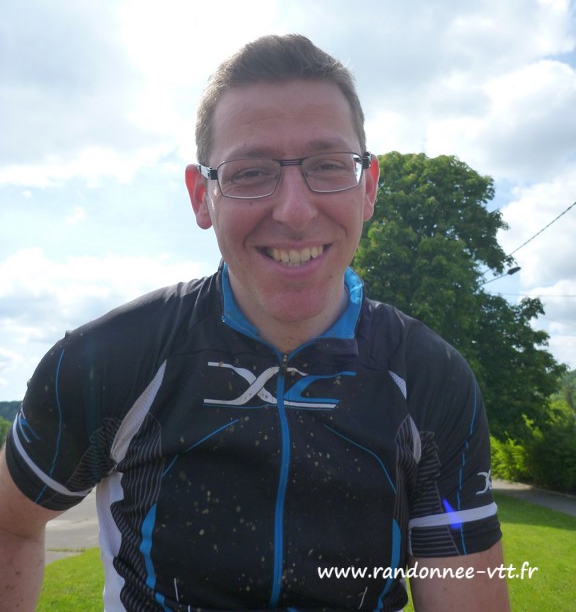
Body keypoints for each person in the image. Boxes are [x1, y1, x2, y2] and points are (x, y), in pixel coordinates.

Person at [0, 34, 510, 611]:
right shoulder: (107, 361)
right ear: (202, 196)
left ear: (367, 188)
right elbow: (10, 523)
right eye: (249, 172)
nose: (294, 211)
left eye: (328, 166)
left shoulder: (433, 379)